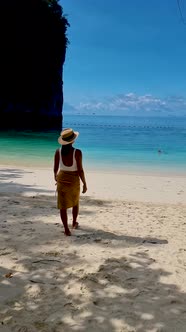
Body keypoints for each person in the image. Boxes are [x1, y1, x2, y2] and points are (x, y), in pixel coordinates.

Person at [53, 128, 87, 236]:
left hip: (62, 177)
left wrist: (56, 177)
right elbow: (80, 170)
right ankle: (73, 223)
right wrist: (85, 183)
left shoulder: (58, 151)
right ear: (72, 141)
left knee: (63, 206)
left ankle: (66, 229)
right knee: (75, 202)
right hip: (73, 179)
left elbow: (55, 168)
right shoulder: (77, 152)